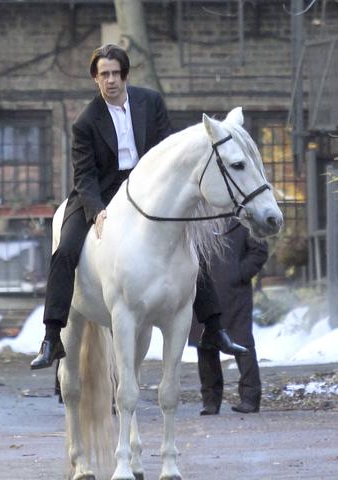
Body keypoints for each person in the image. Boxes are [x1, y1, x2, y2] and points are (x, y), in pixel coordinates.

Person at [31, 44, 245, 370]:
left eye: (116, 73)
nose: (111, 80)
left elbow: (167, 150)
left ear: (125, 75)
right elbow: (85, 176)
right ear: (95, 79)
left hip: (147, 186)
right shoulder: (85, 122)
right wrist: (97, 210)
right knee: (66, 249)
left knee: (186, 247)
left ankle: (214, 327)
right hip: (100, 190)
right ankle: (51, 337)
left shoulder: (151, 102)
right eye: (104, 74)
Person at [189, 220, 268, 414]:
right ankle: (210, 401)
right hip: (203, 291)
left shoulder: (243, 217)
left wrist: (239, 274)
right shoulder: (200, 217)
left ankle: (250, 398)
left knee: (242, 344)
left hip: (235, 294)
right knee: (205, 346)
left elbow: (259, 251)